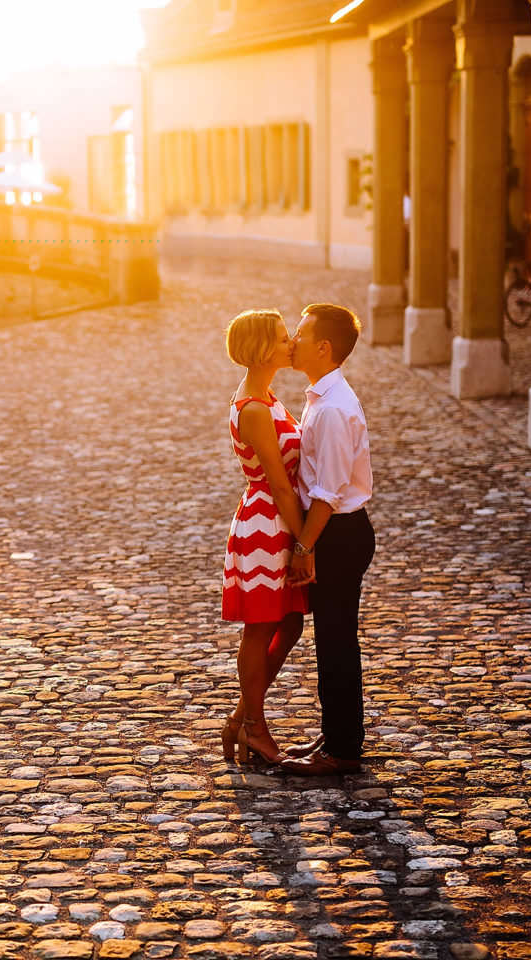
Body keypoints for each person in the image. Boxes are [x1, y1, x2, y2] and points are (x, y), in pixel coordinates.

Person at [273, 303, 375, 776]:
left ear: (324, 347)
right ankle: (336, 734)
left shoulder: (334, 409)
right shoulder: (322, 397)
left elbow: (328, 494)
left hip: (337, 533)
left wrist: (303, 547)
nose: (292, 340)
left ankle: (343, 750)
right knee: (332, 639)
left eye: (299, 332)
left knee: (337, 641)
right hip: (334, 531)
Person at [219, 308, 316, 767]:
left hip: (276, 517)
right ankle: (255, 726)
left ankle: (243, 716)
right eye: (281, 339)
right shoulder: (254, 408)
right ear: (260, 351)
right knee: (261, 628)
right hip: (267, 523)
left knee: (291, 623)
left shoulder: (266, 395)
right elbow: (279, 484)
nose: (290, 344)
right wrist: (305, 544)